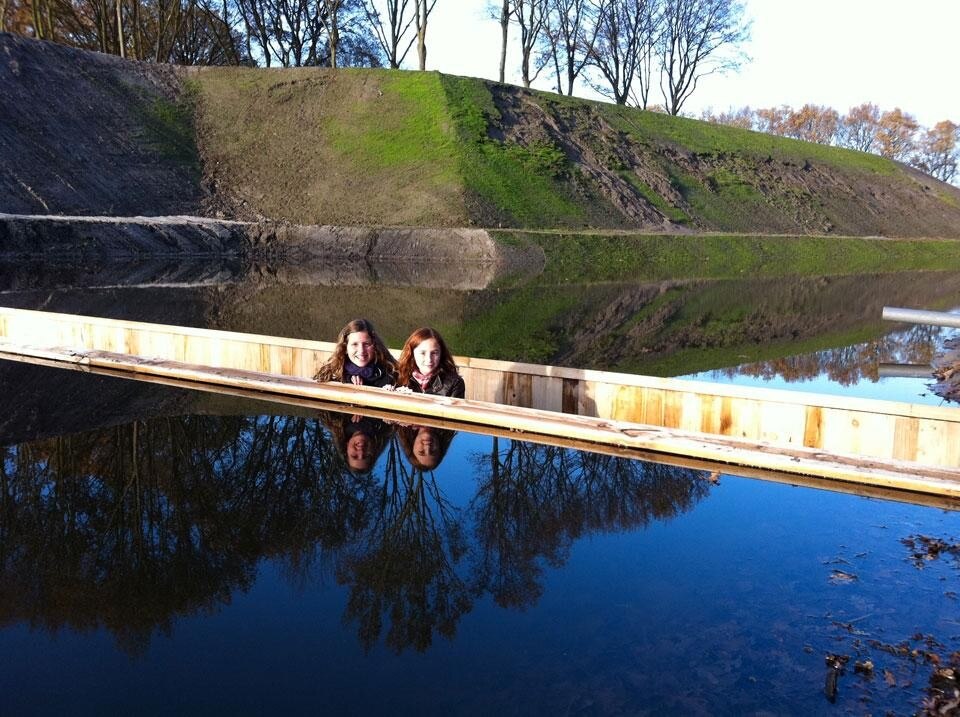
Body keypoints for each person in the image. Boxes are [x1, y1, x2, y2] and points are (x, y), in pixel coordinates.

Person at [314, 318, 397, 388]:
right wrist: (347, 380)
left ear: (375, 345)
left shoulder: (390, 372)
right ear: (345, 347)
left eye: (366, 344)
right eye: (354, 344)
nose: (361, 350)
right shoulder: (332, 372)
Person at [395, 327, 465, 398]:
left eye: (434, 353)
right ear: (412, 353)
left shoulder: (455, 383)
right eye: (422, 353)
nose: (429, 359)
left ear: (441, 353)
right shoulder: (397, 377)